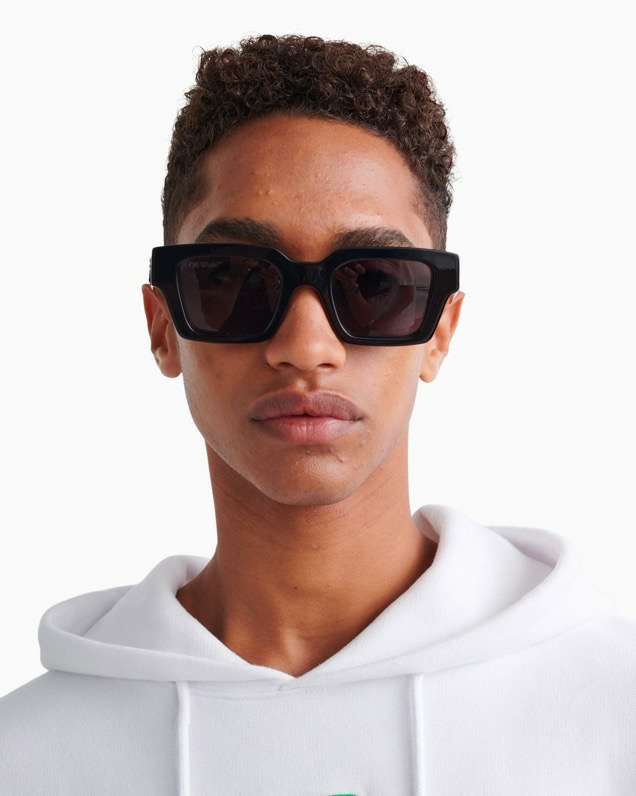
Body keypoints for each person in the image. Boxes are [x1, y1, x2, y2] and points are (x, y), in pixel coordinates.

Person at [1, 32, 634, 796]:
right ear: (162, 326)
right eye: (234, 279)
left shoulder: (614, 713)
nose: (305, 347)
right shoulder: (25, 760)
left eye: (374, 284)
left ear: (440, 331)